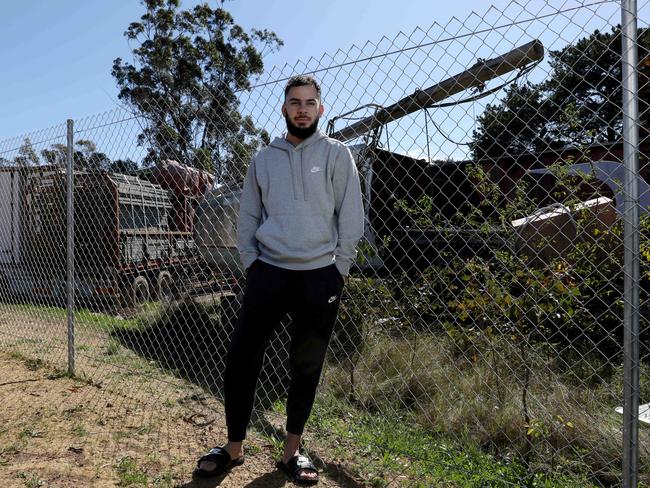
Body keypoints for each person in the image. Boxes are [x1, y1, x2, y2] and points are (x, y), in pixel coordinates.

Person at [194, 75, 364, 485]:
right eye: (295, 102)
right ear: (284, 109)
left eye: (310, 102)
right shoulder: (262, 159)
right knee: (241, 359)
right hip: (268, 272)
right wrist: (252, 262)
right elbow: (249, 217)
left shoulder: (338, 155)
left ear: (320, 109)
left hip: (319, 276)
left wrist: (339, 268)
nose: (302, 108)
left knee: (306, 365)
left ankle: (292, 452)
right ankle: (233, 448)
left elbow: (351, 217)